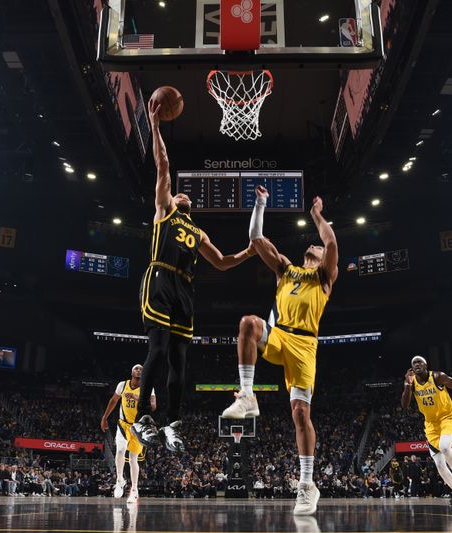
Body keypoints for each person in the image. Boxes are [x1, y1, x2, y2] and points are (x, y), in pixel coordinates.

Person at [131, 98, 255, 453]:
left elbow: (222, 262)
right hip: (160, 278)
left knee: (180, 357)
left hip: (185, 288)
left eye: (186, 194)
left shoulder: (198, 233)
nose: (181, 192)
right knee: (157, 347)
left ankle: (171, 422)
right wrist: (155, 126)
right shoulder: (164, 210)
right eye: (178, 190)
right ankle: (143, 416)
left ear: (192, 206)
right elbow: (164, 164)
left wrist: (248, 251)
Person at [221, 186, 338, 516]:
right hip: (279, 334)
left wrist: (317, 216)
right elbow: (256, 238)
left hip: (305, 345)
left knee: (301, 415)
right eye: (312, 245)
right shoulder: (286, 269)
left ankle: (306, 484)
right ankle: (247, 394)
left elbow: (330, 243)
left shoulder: (325, 276)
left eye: (315, 244)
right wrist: (260, 203)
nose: (313, 245)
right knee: (247, 323)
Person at [400, 356, 452, 505]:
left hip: (448, 418)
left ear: (426, 365)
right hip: (431, 424)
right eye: (414, 363)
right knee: (438, 463)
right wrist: (407, 384)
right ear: (412, 368)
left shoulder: (438, 376)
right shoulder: (411, 383)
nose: (417, 364)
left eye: (420, 362)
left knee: (445, 447)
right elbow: (405, 405)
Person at [101, 364, 155, 504]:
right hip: (123, 424)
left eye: (142, 369)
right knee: (119, 449)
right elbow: (113, 401)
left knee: (133, 459)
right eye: (136, 368)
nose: (139, 370)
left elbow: (153, 406)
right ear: (132, 372)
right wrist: (104, 417)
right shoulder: (122, 385)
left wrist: (137, 398)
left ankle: (134, 489)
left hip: (138, 427)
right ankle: (119, 480)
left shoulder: (148, 387)